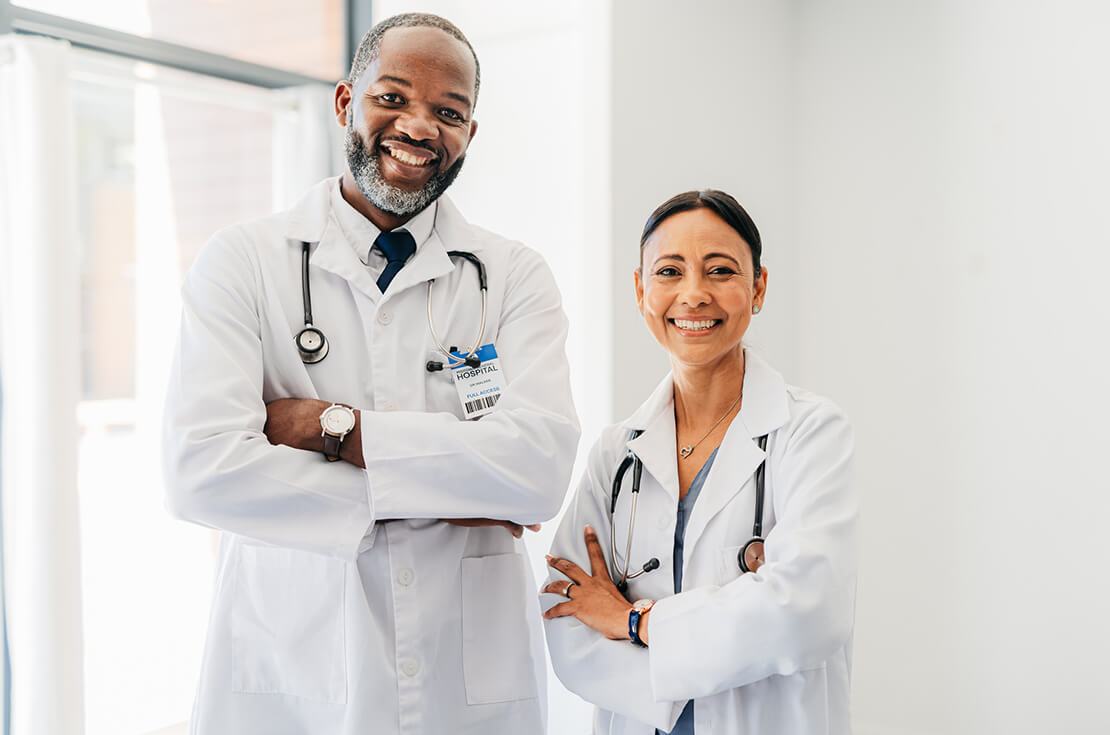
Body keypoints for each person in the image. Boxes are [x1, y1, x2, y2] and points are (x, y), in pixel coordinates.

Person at [162, 13, 579, 735]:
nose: (419, 127)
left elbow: (538, 470)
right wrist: (450, 488)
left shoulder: (511, 277)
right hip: (293, 678)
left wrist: (332, 428)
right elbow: (200, 468)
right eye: (393, 97)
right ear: (345, 102)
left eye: (448, 112)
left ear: (470, 136)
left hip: (466, 688)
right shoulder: (243, 263)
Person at [541, 190, 857, 734]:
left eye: (720, 271)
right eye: (669, 271)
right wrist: (704, 652)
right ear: (641, 291)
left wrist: (635, 621)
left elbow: (807, 611)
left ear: (757, 288)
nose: (693, 295)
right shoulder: (617, 454)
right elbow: (569, 619)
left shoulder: (809, 432)